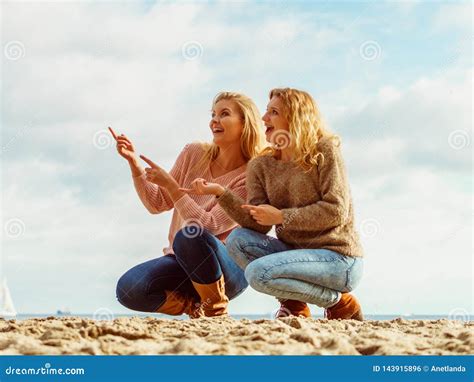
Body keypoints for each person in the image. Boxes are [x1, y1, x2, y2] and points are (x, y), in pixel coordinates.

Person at [183, 88, 364, 320]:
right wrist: (222, 193)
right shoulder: (262, 165)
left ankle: (340, 302)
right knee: (238, 240)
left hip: (338, 259)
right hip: (293, 257)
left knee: (258, 274)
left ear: (296, 117)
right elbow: (257, 225)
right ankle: (296, 306)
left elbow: (336, 211)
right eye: (266, 111)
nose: (264, 118)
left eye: (274, 112)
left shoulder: (324, 151)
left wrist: (281, 217)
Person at [111, 91, 266, 318]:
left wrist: (174, 189)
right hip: (182, 260)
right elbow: (157, 203)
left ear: (245, 124)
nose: (214, 120)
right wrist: (135, 164)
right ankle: (192, 307)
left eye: (224, 114)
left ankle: (215, 307)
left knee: (190, 234)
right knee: (129, 289)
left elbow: (210, 226)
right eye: (213, 114)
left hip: (228, 269)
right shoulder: (194, 153)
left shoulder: (251, 176)